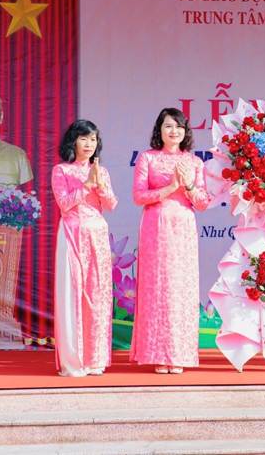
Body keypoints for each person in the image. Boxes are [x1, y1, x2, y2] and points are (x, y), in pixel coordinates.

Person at [130, 108, 209, 374]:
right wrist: (171, 187)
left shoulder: (194, 162)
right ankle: (157, 354)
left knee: (180, 289)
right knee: (157, 288)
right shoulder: (148, 158)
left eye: (178, 126)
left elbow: (203, 203)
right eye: (168, 126)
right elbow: (139, 196)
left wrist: (188, 186)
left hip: (183, 228)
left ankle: (179, 354)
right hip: (156, 226)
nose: (174, 131)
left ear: (185, 131)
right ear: (159, 130)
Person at [51, 120, 117, 377]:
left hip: (97, 234)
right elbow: (64, 204)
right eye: (83, 138)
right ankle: (74, 359)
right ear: (73, 141)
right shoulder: (61, 170)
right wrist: (86, 185)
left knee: (98, 294)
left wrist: (101, 186)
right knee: (74, 293)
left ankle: (95, 357)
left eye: (93, 139)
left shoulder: (102, 171)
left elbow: (111, 204)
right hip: (73, 234)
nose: (89, 144)